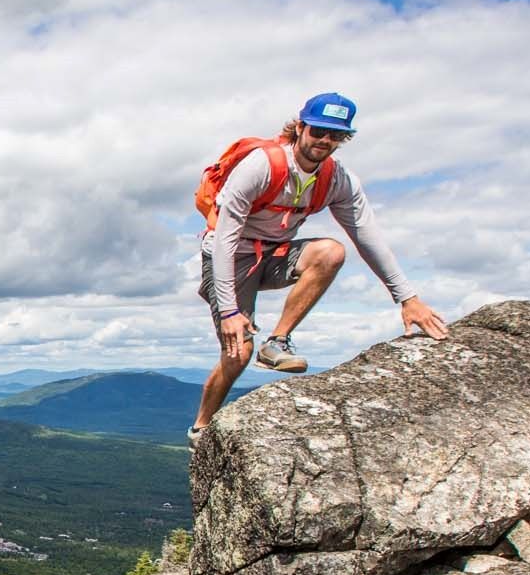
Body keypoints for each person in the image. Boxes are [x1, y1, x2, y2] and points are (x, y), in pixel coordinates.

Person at [190, 92, 449, 442]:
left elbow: (367, 235)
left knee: (331, 252)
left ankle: (278, 342)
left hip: (275, 253)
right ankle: (201, 427)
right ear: (300, 127)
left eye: (335, 135)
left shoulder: (337, 180)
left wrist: (408, 298)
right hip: (230, 254)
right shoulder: (261, 166)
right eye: (318, 131)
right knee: (238, 352)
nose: (325, 141)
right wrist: (230, 311)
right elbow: (223, 239)